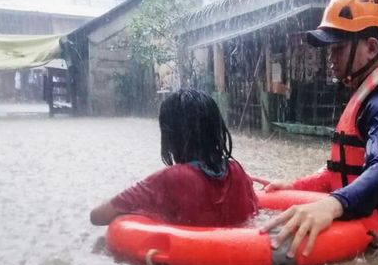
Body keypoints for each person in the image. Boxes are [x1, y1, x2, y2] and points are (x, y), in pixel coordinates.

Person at [260, 0, 378, 258]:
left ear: (371, 47)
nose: (330, 59)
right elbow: (343, 171)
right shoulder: (368, 95)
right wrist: (295, 186)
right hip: (377, 228)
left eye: (338, 49)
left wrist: (330, 206)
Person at [90, 89, 258, 227]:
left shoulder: (173, 178)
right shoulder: (237, 172)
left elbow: (98, 216)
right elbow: (254, 211)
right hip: (237, 255)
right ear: (217, 130)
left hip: (190, 263)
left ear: (170, 136)